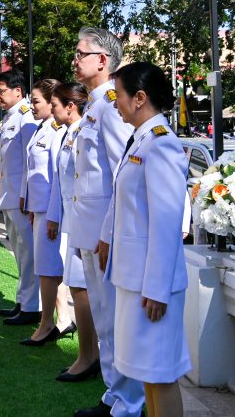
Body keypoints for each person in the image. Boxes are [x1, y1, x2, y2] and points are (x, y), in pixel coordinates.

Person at [104, 62, 190, 417]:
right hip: (134, 281)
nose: (115, 104)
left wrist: (156, 289)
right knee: (146, 374)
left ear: (139, 98)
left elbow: (167, 223)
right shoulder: (140, 139)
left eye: (118, 96)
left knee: (159, 375)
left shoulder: (161, 145)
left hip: (152, 287)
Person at [71, 27, 141, 417]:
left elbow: (121, 175)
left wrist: (109, 235)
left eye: (81, 53)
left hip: (105, 236)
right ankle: (115, 395)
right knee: (104, 316)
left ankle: (129, 404)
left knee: (115, 320)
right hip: (91, 230)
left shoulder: (113, 105)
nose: (75, 60)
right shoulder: (96, 106)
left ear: (103, 60)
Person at [46, 81, 100, 384]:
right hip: (72, 219)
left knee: (81, 288)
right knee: (78, 287)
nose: (52, 110)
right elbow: (61, 180)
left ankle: (88, 356)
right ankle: (88, 354)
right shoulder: (69, 133)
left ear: (70, 106)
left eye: (55, 104)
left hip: (84, 221)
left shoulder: (83, 132)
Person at [0, 69, 41, 325]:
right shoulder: (9, 118)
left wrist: (27, 195)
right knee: (19, 252)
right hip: (10, 195)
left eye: (1, 91)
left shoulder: (25, 118)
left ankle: (33, 307)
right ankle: (23, 301)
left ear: (17, 91)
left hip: (21, 197)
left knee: (28, 253)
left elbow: (30, 161)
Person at [20, 78, 64, 346]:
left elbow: (56, 176)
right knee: (45, 268)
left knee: (48, 270)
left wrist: (51, 214)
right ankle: (61, 318)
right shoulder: (41, 128)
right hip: (40, 208)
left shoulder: (56, 131)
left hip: (50, 211)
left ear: (51, 102)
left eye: (36, 101)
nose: (32, 106)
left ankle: (47, 323)